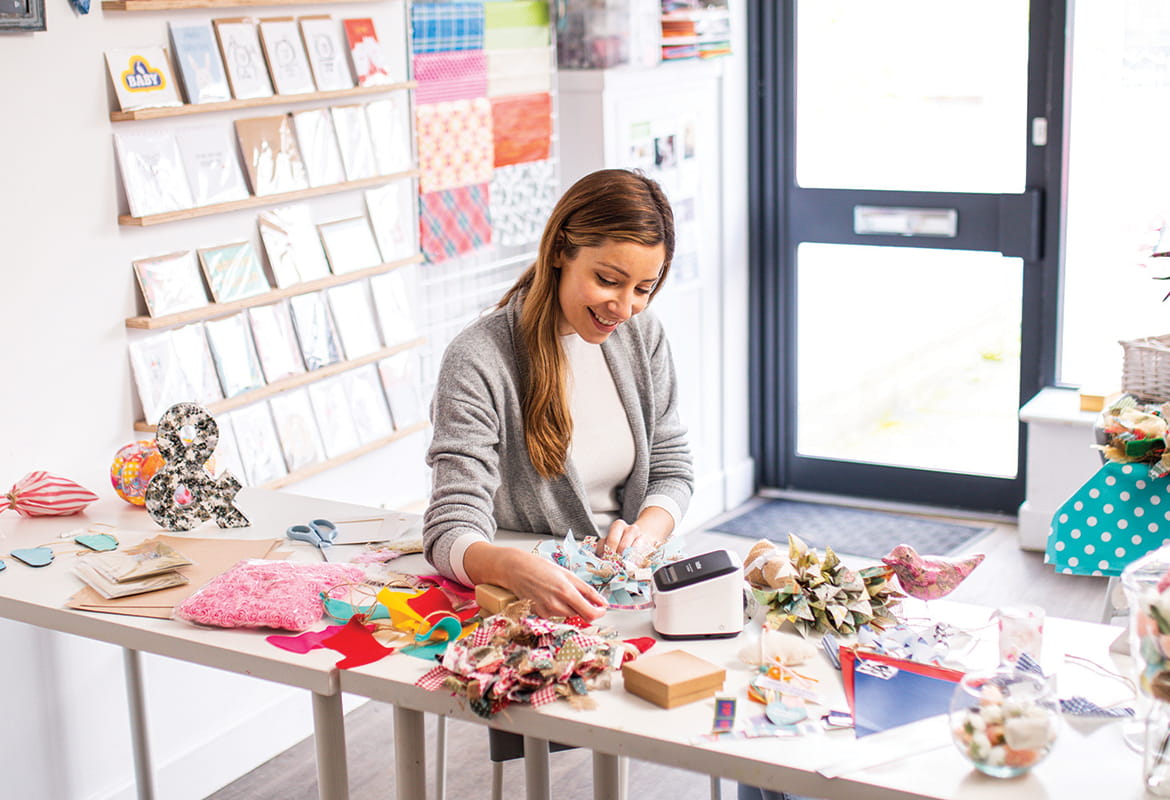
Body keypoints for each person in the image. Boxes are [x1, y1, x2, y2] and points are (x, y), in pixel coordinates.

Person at [422, 168, 693, 621]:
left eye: (644, 289)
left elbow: (671, 464)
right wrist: (509, 566)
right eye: (608, 280)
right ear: (561, 250)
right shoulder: (478, 359)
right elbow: (450, 527)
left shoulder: (642, 335)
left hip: (624, 600)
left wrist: (645, 532)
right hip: (523, 607)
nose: (624, 308)